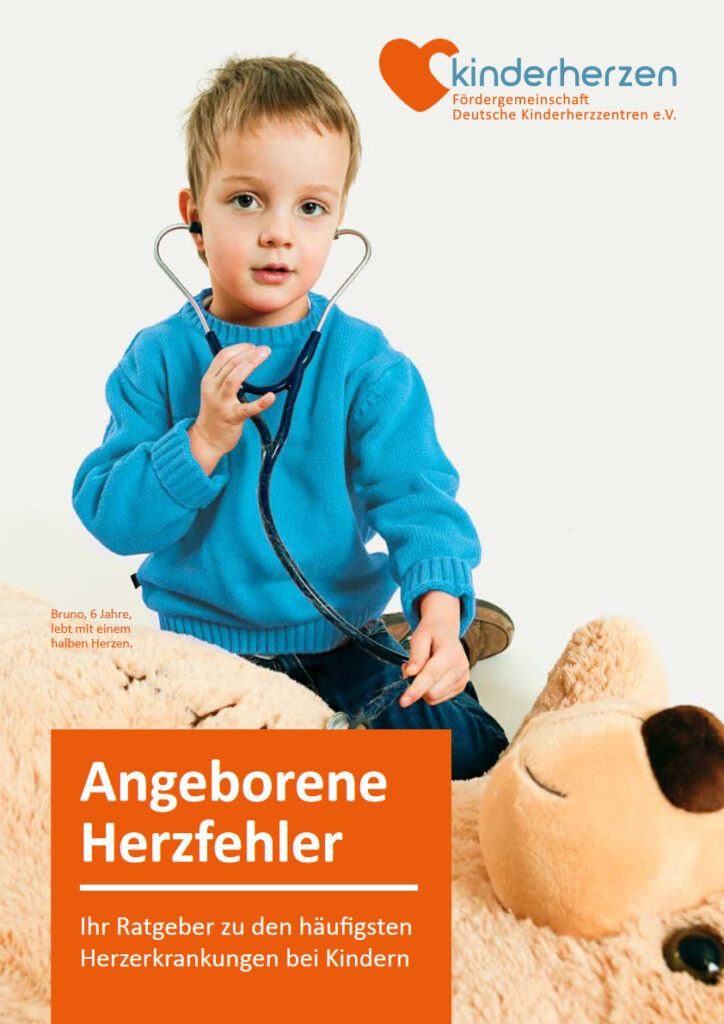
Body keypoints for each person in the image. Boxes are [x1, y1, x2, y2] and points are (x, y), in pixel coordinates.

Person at [72, 55, 511, 779]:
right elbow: (114, 519)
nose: (279, 232)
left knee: (465, 752)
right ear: (194, 218)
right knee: (175, 779)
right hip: (203, 652)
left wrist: (438, 609)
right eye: (247, 200)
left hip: (340, 640)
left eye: (310, 208)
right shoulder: (157, 360)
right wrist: (200, 443)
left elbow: (418, 500)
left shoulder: (366, 366)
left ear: (337, 223)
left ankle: (432, 630)